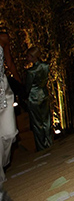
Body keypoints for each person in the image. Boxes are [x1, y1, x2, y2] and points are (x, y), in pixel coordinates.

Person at [25, 47, 53, 151]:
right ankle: (49, 141)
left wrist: (25, 96)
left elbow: (28, 87)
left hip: (34, 97)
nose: (27, 58)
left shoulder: (31, 71)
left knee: (37, 123)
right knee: (46, 120)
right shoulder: (46, 66)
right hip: (44, 94)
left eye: (28, 56)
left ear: (33, 57)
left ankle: (41, 146)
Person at [0, 29, 18, 187]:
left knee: (9, 133)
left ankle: (3, 162)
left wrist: (20, 84)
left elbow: (9, 63)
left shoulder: (3, 38)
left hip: (3, 90)